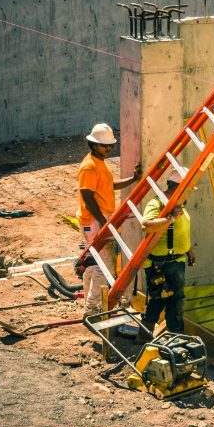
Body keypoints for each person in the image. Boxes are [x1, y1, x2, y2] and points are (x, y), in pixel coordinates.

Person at [77, 123, 142, 315]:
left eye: (110, 146)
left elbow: (108, 185)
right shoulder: (89, 166)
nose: (108, 149)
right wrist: (103, 221)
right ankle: (91, 309)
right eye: (104, 146)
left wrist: (132, 178)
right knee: (104, 266)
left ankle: (89, 304)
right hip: (95, 220)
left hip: (97, 219)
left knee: (94, 263)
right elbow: (87, 197)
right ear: (93, 144)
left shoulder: (98, 163)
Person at [137, 167, 196, 338]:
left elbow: (180, 231)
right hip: (162, 263)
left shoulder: (178, 205)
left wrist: (189, 250)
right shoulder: (158, 204)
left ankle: (147, 336)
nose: (190, 191)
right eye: (188, 187)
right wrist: (170, 218)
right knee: (169, 301)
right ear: (178, 187)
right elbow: (146, 226)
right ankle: (174, 338)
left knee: (167, 300)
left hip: (175, 260)